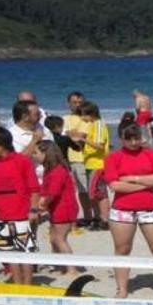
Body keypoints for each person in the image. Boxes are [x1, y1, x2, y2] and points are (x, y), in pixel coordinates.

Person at [103, 115, 153, 298]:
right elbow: (115, 185)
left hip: (150, 208)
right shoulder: (113, 158)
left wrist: (134, 179)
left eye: (136, 138)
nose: (134, 142)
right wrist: (146, 184)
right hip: (122, 210)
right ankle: (122, 289)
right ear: (121, 138)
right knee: (122, 250)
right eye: (129, 139)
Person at [0, 127, 40, 284]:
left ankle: (28, 286)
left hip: (21, 213)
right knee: (8, 254)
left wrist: (33, 210)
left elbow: (34, 188)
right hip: (0, 215)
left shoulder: (22, 161)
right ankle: (18, 286)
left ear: (2, 144)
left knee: (25, 252)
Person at [35, 141, 79, 278]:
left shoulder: (58, 170)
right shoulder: (50, 170)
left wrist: (41, 206)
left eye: (36, 153)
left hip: (64, 207)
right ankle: (61, 265)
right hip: (56, 207)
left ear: (45, 154)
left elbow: (52, 192)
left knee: (60, 239)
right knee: (53, 239)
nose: (34, 156)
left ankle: (72, 269)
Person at [62, 91, 92, 226]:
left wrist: (70, 134)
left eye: (80, 102)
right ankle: (82, 217)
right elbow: (61, 135)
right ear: (68, 104)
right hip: (66, 159)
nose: (78, 105)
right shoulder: (64, 118)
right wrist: (72, 135)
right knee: (74, 191)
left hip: (82, 158)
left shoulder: (87, 118)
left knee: (86, 190)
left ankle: (91, 216)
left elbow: (82, 138)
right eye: (74, 102)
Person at [80, 101, 110, 231]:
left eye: (84, 115)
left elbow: (99, 145)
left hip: (97, 164)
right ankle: (98, 218)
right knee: (94, 193)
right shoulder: (93, 125)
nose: (82, 118)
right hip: (91, 164)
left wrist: (84, 139)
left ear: (91, 114)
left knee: (100, 194)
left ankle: (104, 220)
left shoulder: (98, 125)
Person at [8, 100, 53, 180]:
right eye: (37, 114)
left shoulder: (43, 129)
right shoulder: (12, 135)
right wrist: (34, 141)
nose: (41, 116)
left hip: (49, 177)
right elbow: (17, 161)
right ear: (25, 117)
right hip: (29, 180)